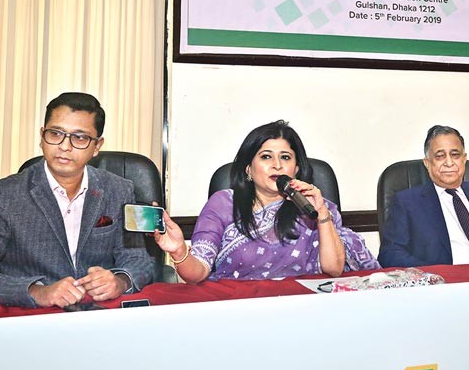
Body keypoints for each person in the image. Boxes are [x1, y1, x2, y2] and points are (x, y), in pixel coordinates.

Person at [0, 92, 154, 308]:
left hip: (98, 314)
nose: (65, 146)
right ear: (42, 137)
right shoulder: (4, 195)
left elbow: (138, 260)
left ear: (97, 146)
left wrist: (121, 281)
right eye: (56, 134)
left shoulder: (120, 190)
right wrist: (37, 292)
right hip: (34, 318)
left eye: (79, 138)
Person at [155, 120, 378, 281]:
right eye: (266, 156)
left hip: (302, 308)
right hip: (238, 308)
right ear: (248, 169)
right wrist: (179, 252)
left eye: (285, 157)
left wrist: (321, 214)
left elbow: (334, 270)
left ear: (296, 169)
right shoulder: (223, 204)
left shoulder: (314, 206)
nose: (277, 165)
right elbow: (198, 273)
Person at [378, 125, 469, 267]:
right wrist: (434, 275)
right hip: (449, 281)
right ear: (427, 163)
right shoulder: (407, 202)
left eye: (455, 155)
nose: (449, 163)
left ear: (464, 159)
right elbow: (390, 254)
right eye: (440, 156)